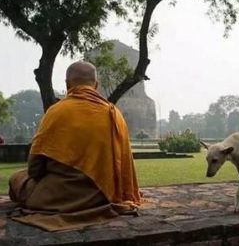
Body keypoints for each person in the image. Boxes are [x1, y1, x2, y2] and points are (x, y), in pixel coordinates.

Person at [8, 61, 141, 231]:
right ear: (96, 85)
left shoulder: (56, 112)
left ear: (67, 84)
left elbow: (34, 168)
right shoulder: (114, 114)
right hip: (104, 197)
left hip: (58, 197)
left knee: (16, 179)